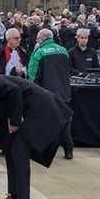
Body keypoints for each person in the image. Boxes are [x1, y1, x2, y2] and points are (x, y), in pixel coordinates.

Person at [26, 28, 74, 159]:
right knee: (64, 121)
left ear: (41, 39)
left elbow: (32, 75)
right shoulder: (63, 50)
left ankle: (43, 150)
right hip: (64, 91)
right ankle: (68, 149)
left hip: (46, 92)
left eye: (37, 39)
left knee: (44, 121)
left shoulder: (39, 53)